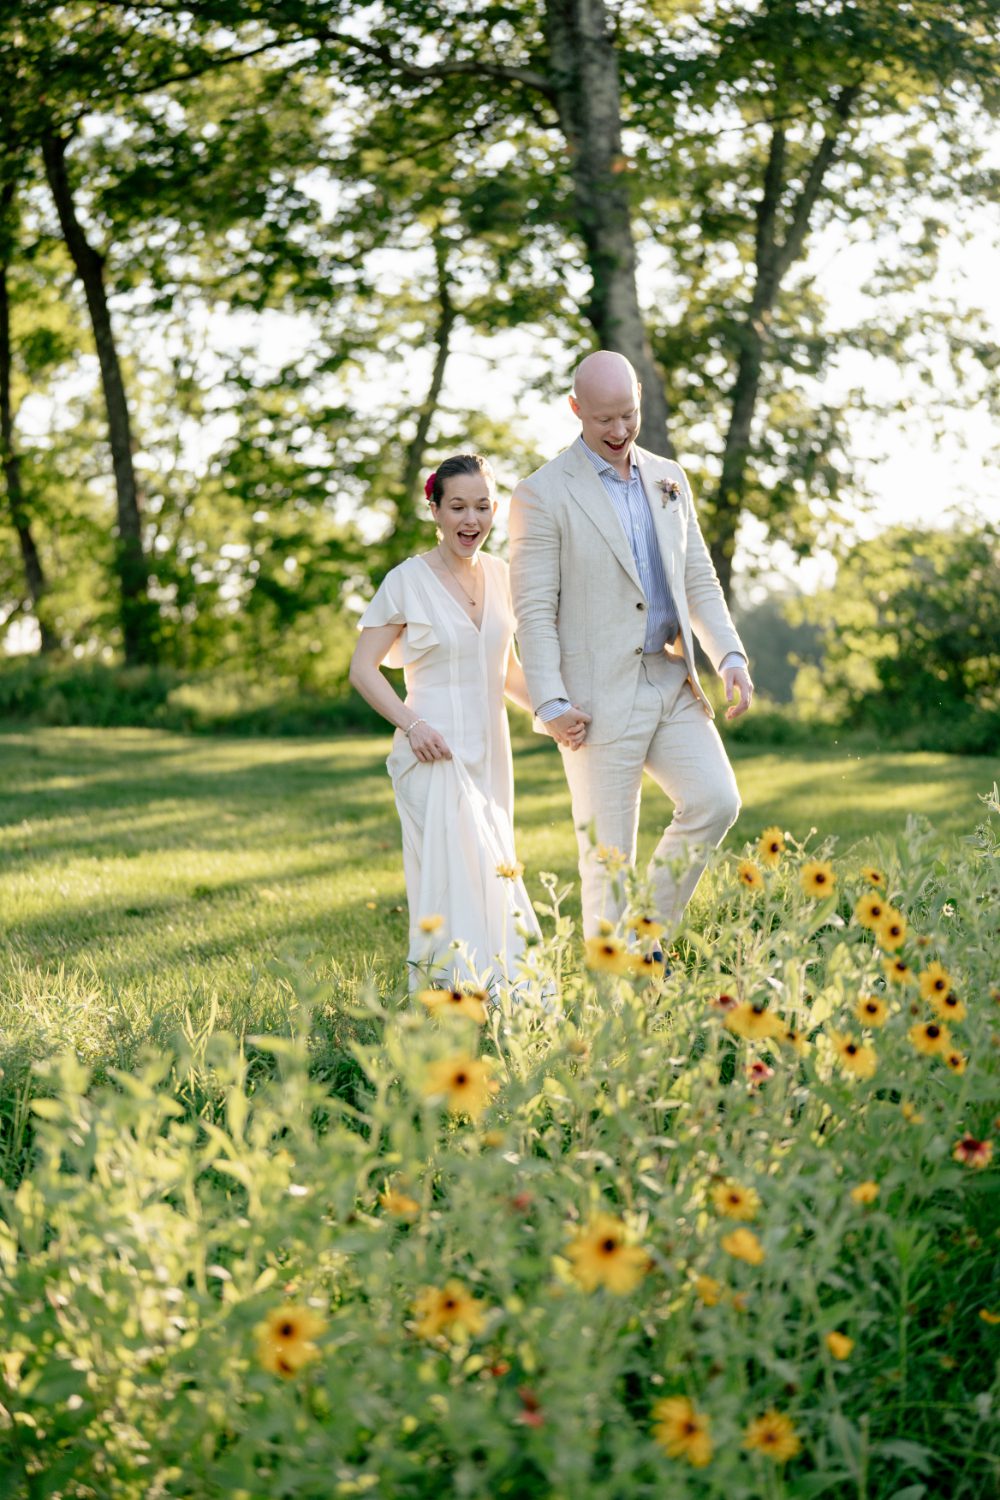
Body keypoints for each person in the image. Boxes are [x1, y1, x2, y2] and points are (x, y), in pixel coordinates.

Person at [509, 350, 753, 943]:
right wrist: (549, 704)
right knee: (608, 864)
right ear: (575, 410)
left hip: (670, 679)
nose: (619, 432)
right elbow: (534, 611)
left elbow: (698, 577)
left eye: (629, 415)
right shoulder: (540, 494)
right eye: (603, 420)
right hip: (593, 703)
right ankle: (613, 1008)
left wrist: (730, 656)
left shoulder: (669, 476)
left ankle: (644, 942)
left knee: (715, 801)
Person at [350, 454, 581, 988]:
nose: (470, 520)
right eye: (457, 507)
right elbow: (363, 670)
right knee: (457, 875)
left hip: (491, 751)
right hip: (431, 751)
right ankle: (476, 994)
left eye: (481, 507)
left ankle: (486, 996)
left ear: (495, 510)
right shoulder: (406, 580)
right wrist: (413, 725)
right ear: (434, 509)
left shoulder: (504, 578)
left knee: (489, 870)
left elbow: (507, 672)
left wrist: (557, 714)